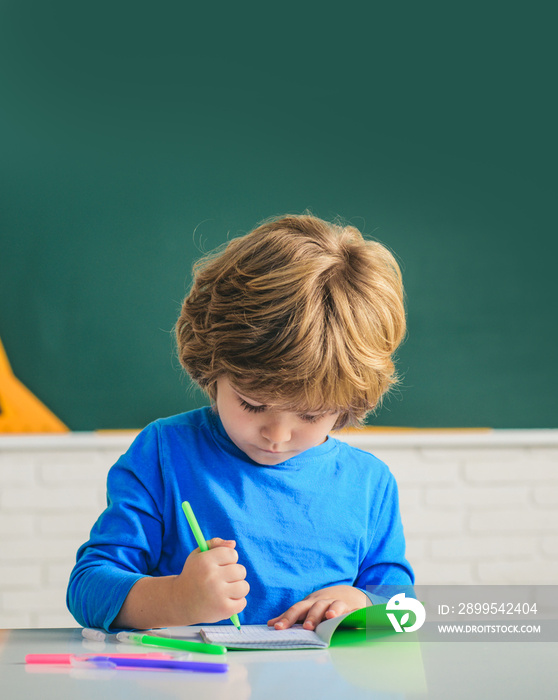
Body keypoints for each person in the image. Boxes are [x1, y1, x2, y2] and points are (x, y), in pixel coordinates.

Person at [66, 213, 414, 632]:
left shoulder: (369, 484)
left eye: (309, 414)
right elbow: (89, 588)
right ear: (212, 368)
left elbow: (400, 608)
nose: (277, 435)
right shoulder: (164, 452)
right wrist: (177, 600)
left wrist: (360, 602)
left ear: (349, 402)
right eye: (251, 405)